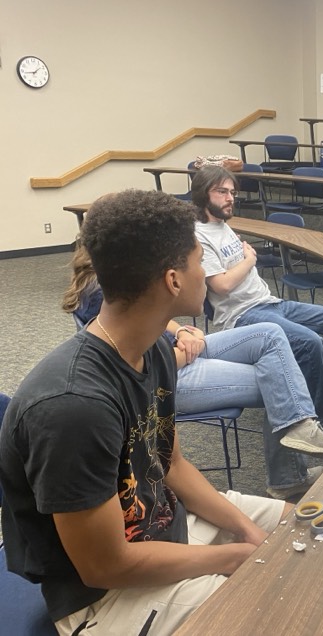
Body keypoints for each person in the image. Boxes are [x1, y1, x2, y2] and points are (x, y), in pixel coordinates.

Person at [0, 190, 288, 635]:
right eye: (199, 260)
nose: (206, 271)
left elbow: (170, 463)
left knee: (300, 528)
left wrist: (248, 530)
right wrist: (233, 558)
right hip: (106, 597)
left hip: (167, 530)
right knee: (278, 608)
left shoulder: (152, 349)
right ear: (173, 280)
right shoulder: (73, 407)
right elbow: (105, 566)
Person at [61, 243, 323, 500]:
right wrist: (184, 348)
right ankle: (288, 476)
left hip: (180, 350)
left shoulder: (108, 285)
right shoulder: (103, 297)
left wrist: (180, 331)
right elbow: (142, 366)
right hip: (170, 377)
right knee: (280, 381)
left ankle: (298, 429)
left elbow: (156, 320)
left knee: (270, 335)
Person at [191, 165, 323, 412]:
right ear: (204, 194)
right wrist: (249, 260)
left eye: (232, 192)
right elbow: (222, 285)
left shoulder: (222, 224)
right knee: (310, 342)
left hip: (269, 302)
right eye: (222, 192)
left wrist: (246, 261)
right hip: (243, 315)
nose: (230, 198)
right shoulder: (199, 236)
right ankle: (322, 416)